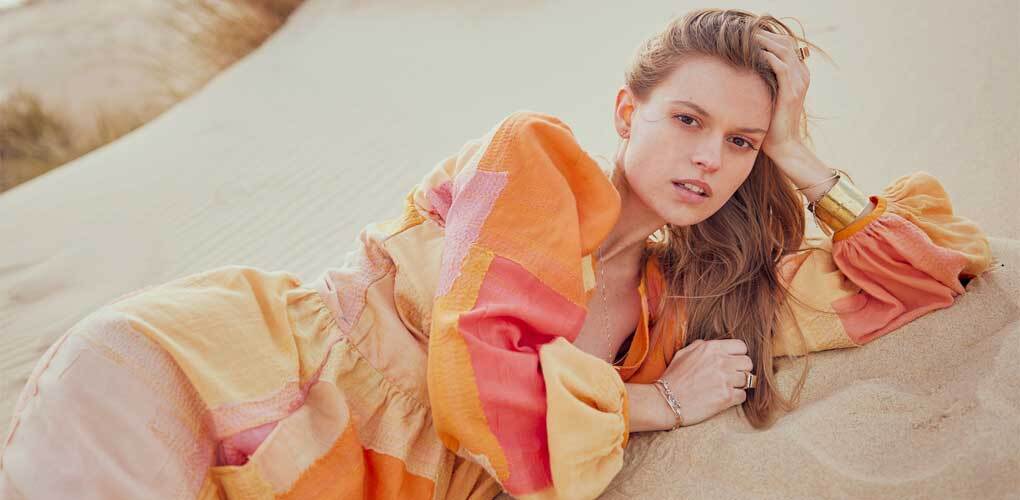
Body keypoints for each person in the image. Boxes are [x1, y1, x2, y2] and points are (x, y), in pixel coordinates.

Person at [0, 8, 993, 500]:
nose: (707, 157)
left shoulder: (683, 300)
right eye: (688, 118)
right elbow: (479, 380)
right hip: (193, 375)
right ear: (625, 111)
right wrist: (658, 401)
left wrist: (801, 157)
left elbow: (939, 269)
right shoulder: (532, 163)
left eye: (738, 141)